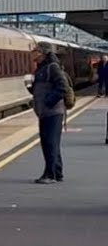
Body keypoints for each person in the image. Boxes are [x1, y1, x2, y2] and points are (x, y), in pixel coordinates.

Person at [29, 41, 75, 184]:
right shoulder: (41, 69)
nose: (33, 53)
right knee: (51, 142)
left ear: (42, 52)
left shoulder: (52, 68)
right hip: (44, 111)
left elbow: (62, 87)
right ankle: (57, 172)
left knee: (49, 142)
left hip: (52, 111)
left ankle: (50, 175)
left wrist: (49, 101)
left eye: (35, 50)